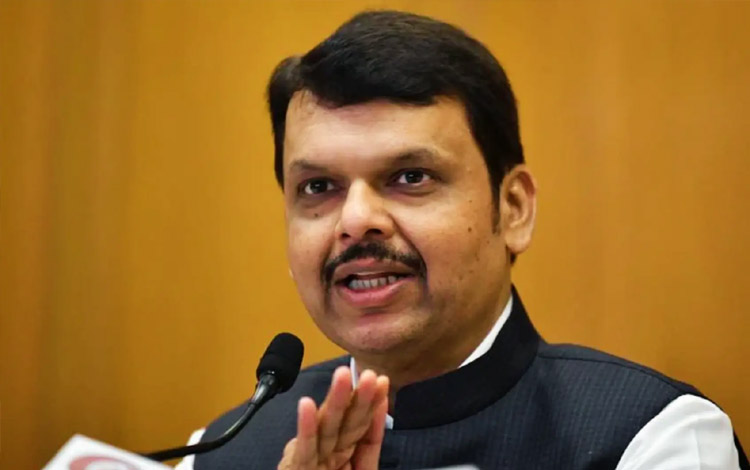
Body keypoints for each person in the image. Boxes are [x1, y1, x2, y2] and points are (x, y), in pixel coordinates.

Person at [178, 10, 747, 470]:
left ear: (513, 208)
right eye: (319, 187)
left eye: (410, 177)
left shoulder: (653, 439)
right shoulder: (220, 453)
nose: (355, 220)